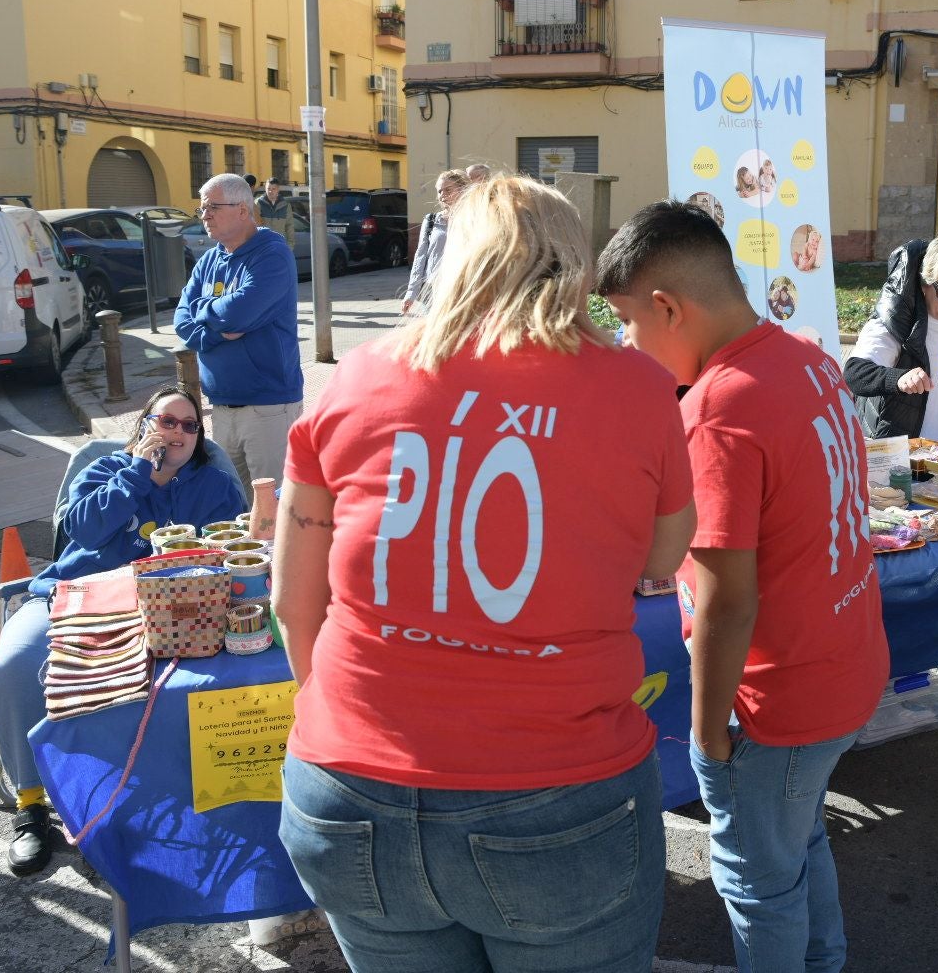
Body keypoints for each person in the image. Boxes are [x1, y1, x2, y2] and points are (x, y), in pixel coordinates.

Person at [273, 175, 695, 973]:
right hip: (556, 791)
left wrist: (336, 717)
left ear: (454, 262)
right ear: (572, 263)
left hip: (345, 785)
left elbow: (295, 602)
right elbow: (663, 559)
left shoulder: (359, 376)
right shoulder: (638, 386)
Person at [598, 201, 888, 972]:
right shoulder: (803, 355)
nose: (628, 344)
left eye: (627, 323)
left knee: (759, 881)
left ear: (666, 307)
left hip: (778, 698)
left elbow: (728, 599)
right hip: (842, 666)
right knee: (797, 842)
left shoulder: (719, 408)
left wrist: (706, 727)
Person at [0, 385, 244, 875]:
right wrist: (137, 475)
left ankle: (143, 800)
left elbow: (228, 556)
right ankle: (32, 805)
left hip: (171, 612)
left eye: (190, 425)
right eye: (167, 421)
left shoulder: (213, 486)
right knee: (12, 664)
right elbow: (83, 531)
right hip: (80, 594)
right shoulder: (106, 470)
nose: (178, 432)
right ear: (145, 424)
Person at [174, 173, 303, 492]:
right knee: (235, 508)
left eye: (213, 207)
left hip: (268, 408)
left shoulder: (272, 255)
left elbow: (239, 311)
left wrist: (205, 311)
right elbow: (180, 319)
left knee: (272, 511)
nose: (205, 215)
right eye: (202, 209)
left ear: (243, 210)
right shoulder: (208, 261)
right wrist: (216, 333)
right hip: (221, 405)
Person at [845, 236, 938, 443]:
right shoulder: (896, 322)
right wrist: (898, 378)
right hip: (912, 458)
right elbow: (854, 373)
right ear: (925, 284)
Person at [401, 168, 469, 314]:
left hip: (464, 290)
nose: (442, 195)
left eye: (448, 190)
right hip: (433, 291)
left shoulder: (475, 218)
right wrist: (411, 292)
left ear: (463, 189)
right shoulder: (431, 220)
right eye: (439, 191)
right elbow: (421, 256)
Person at [254, 177, 295, 245]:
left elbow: (289, 226)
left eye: (273, 189)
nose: (270, 191)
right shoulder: (258, 203)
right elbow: (254, 225)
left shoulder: (285, 205)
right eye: (268, 189)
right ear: (265, 189)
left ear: (278, 189)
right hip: (264, 245)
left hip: (280, 245)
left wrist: (290, 245)